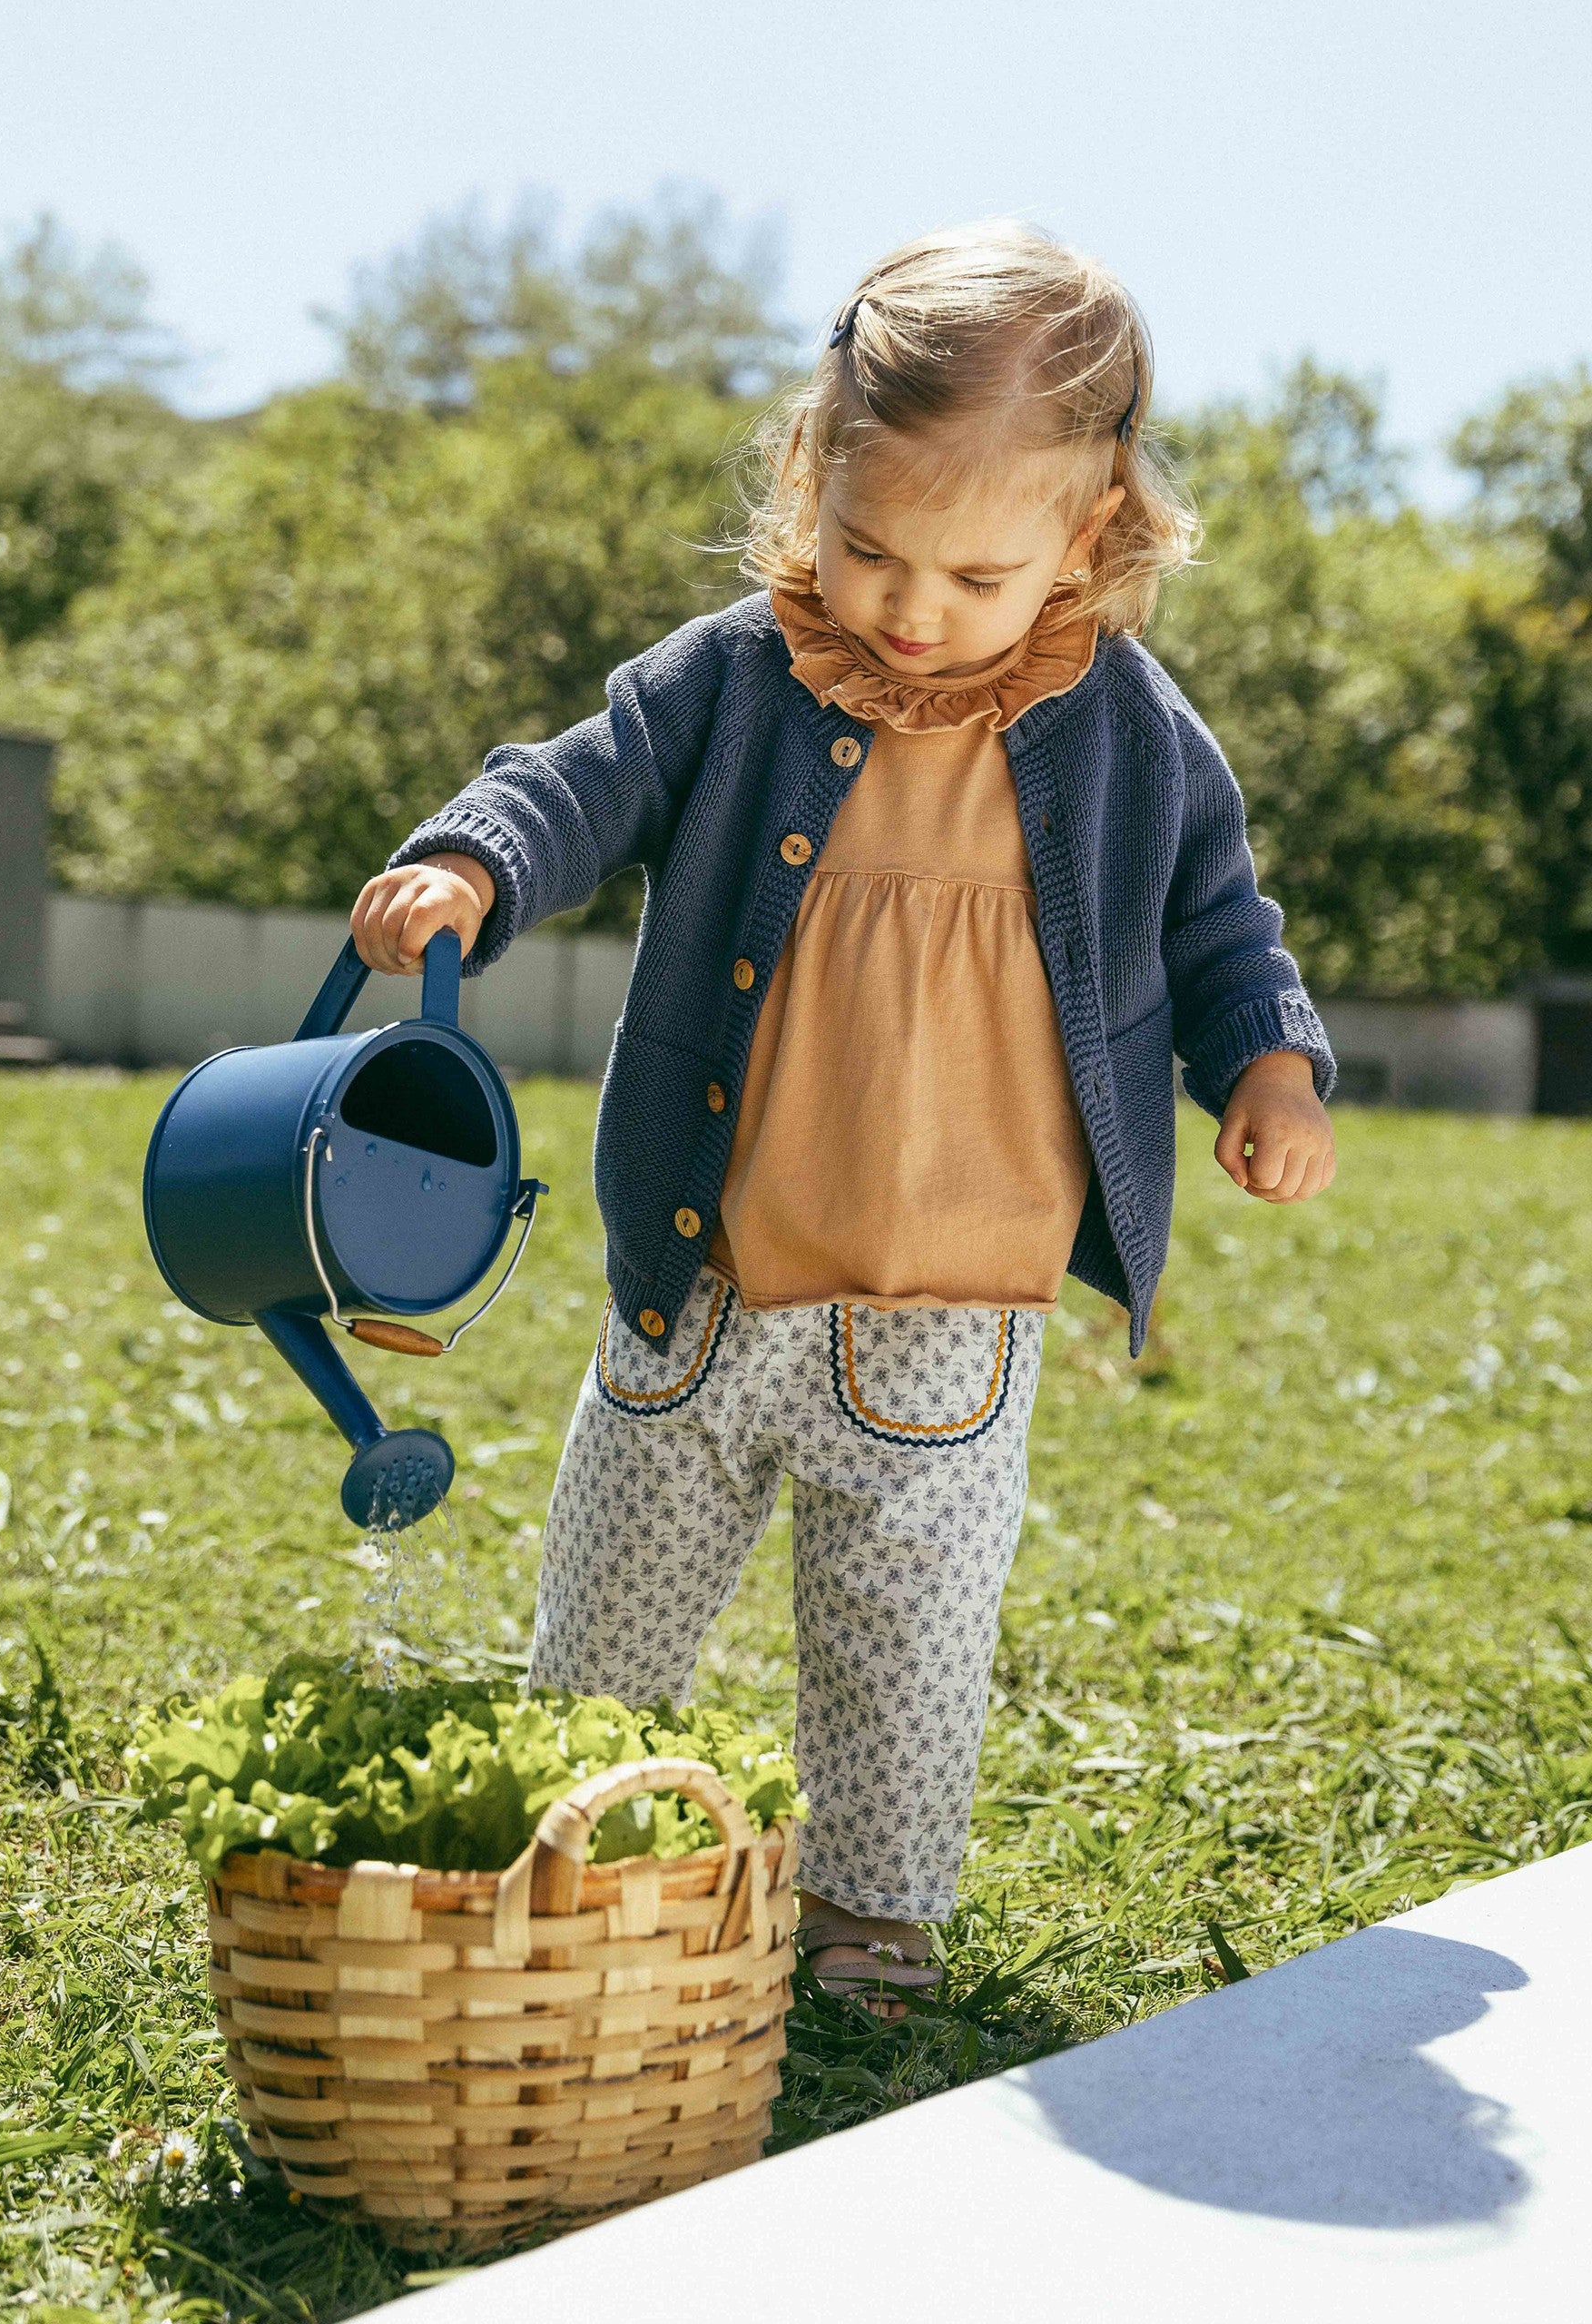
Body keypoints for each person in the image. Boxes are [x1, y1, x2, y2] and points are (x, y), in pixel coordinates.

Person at [350, 222, 1337, 2014]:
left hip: (950, 1306)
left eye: (974, 573)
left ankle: (872, 1913)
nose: (909, 605)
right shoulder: (736, 674)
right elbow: (581, 779)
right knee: (608, 1606)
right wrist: (475, 859)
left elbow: (1218, 915)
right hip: (705, 1274)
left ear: (1093, 536)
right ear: (814, 476)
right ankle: (564, 1844)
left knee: (908, 1632)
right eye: (869, 543)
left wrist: (1267, 1059)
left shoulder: (1128, 731)